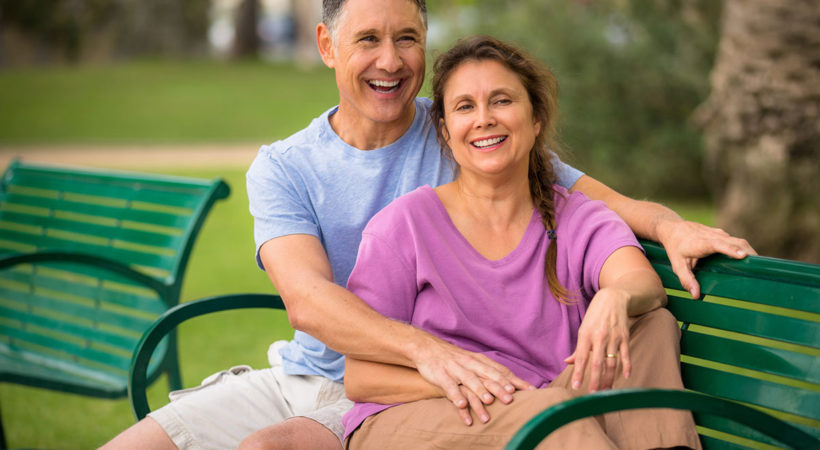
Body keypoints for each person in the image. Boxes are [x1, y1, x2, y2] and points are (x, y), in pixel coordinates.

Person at [102, 0, 751, 449]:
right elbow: (309, 302)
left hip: (389, 396)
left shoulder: (465, 132)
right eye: (369, 40)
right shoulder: (284, 168)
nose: (390, 59)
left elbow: (598, 204)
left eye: (406, 38)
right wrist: (432, 353)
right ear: (328, 46)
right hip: (315, 373)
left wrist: (667, 225)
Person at [342, 34, 701, 449]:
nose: (484, 118)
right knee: (549, 419)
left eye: (502, 101)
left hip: (545, 402)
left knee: (650, 324)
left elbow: (641, 283)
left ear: (535, 120)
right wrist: (474, 383)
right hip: (421, 418)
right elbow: (361, 376)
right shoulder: (404, 227)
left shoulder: (578, 217)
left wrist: (616, 297)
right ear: (445, 131)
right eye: (465, 107)